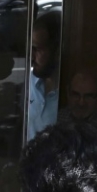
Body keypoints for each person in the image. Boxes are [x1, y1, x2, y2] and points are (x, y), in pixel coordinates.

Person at [27, 10, 61, 141]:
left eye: (37, 49)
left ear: (57, 50)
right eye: (30, 49)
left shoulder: (70, 94)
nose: (31, 57)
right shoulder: (30, 83)